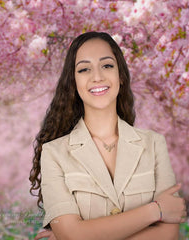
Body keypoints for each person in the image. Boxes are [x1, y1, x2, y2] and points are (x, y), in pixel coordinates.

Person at [29, 31, 187, 240]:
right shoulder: (54, 153)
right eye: (84, 69)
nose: (97, 77)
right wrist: (156, 210)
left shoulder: (154, 144)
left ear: (120, 75)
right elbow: (71, 235)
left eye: (107, 65)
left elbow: (168, 235)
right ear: (73, 82)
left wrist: (81, 234)